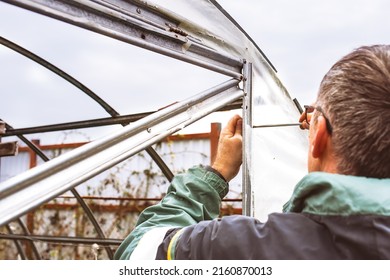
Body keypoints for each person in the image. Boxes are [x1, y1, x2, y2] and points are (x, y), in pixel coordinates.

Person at [114, 45, 390, 260]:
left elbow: (138, 255)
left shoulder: (244, 247)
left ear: (317, 136)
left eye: (315, 116)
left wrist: (215, 174)